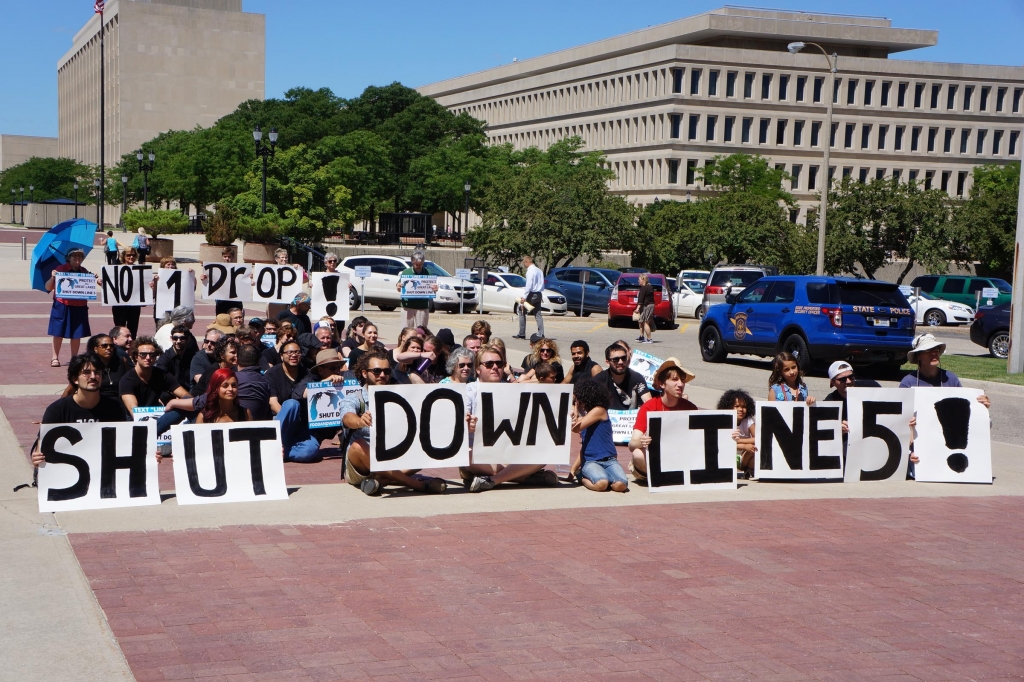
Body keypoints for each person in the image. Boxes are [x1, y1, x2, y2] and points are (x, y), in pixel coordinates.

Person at [341, 349, 448, 496]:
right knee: (358, 445)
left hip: (391, 457)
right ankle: (417, 485)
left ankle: (382, 481)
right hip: (362, 465)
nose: (383, 375)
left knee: (426, 451)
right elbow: (347, 417)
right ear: (365, 373)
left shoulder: (399, 396)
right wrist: (360, 421)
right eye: (377, 371)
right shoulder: (355, 397)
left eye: (386, 371)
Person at [461, 345, 560, 492]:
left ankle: (491, 479)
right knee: (463, 454)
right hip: (477, 451)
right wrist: (466, 425)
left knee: (546, 452)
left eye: (499, 364)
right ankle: (523, 476)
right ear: (478, 369)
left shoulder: (513, 390)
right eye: (489, 364)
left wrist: (562, 417)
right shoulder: (469, 391)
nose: (495, 367)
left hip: (509, 451)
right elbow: (458, 422)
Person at [899, 334, 990, 476]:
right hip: (920, 440)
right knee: (918, 473)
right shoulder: (908, 382)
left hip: (948, 436)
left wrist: (981, 408)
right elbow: (900, 420)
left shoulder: (950, 378)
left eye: (936, 350)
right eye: (928, 351)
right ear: (918, 357)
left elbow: (962, 410)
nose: (934, 354)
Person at [32, 354, 129, 467]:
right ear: (75, 379)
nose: (93, 376)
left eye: (97, 372)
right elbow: (42, 447)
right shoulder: (57, 410)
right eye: (86, 372)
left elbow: (124, 443)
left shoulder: (115, 407)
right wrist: (37, 459)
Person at [628, 358, 698, 484]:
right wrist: (642, 442)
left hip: (679, 457)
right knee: (637, 454)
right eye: (675, 380)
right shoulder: (649, 407)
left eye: (682, 380)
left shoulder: (690, 408)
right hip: (656, 458)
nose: (680, 384)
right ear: (662, 384)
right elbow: (632, 444)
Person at [275, 349, 348, 463]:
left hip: (311, 435)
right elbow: (300, 394)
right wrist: (325, 383)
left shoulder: (344, 383)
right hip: (294, 427)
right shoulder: (310, 378)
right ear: (320, 370)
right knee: (291, 404)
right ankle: (273, 443)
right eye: (332, 368)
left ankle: (280, 452)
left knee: (309, 451)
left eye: (338, 367)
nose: (337, 371)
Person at [118, 336, 191, 435]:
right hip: (135, 422)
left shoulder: (162, 375)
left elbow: (186, 395)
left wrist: (180, 403)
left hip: (158, 417)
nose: (148, 358)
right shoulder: (127, 380)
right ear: (135, 356)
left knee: (188, 407)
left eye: (152, 355)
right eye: (143, 354)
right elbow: (134, 410)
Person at [569, 379, 628, 492]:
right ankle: (582, 477)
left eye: (577, 400)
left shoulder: (599, 410)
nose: (578, 403)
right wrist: (573, 470)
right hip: (591, 461)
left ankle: (603, 476)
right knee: (601, 484)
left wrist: (576, 411)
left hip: (610, 460)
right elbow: (584, 448)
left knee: (621, 485)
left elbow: (575, 428)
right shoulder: (585, 419)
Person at [46, 248, 94, 368]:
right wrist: (52, 277)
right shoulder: (60, 270)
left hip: (79, 306)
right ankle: (55, 357)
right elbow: (48, 288)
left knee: (76, 334)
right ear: (69, 258)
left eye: (80, 256)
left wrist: (94, 278)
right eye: (74, 256)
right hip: (62, 305)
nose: (77, 259)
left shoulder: (84, 271)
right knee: (58, 332)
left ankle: (74, 358)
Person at [594, 343, 652, 411]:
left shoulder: (637, 378)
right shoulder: (600, 379)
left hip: (632, 419)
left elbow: (648, 402)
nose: (621, 362)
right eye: (616, 359)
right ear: (607, 362)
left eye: (624, 358)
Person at [104, 247, 144, 339]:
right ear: (124, 256)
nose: (131, 257)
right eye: (128, 255)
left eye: (133, 255)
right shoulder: (116, 269)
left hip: (134, 305)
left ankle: (130, 351)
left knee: (133, 330)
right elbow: (110, 285)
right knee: (119, 329)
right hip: (119, 305)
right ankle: (118, 350)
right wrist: (103, 283)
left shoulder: (140, 270)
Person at [717, 389, 757, 479]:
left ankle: (749, 470)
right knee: (750, 447)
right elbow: (723, 443)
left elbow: (758, 437)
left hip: (745, 455)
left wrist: (739, 440)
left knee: (755, 449)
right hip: (730, 457)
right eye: (737, 406)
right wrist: (744, 446)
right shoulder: (725, 422)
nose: (741, 409)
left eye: (744, 407)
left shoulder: (748, 421)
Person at [397, 251, 438, 329]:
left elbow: (432, 287)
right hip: (408, 306)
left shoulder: (427, 272)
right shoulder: (406, 272)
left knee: (422, 331)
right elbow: (399, 285)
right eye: (416, 264)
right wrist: (398, 286)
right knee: (407, 330)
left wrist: (435, 289)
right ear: (412, 262)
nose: (419, 266)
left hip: (422, 306)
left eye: (421, 264)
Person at [266, 339, 307, 415]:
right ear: (281, 356)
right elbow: (273, 402)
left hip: (303, 418)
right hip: (280, 416)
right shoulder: (272, 374)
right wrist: (287, 417)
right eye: (289, 352)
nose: (294, 355)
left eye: (297, 352)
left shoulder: (307, 373)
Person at [84, 334, 129, 401]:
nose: (108, 348)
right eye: (104, 346)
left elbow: (129, 382)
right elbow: (71, 390)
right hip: (97, 403)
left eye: (111, 346)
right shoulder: (89, 365)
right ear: (95, 349)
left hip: (119, 403)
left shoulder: (122, 361)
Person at [155, 324, 198, 388]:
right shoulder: (164, 358)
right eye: (175, 338)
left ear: (188, 339)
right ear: (171, 338)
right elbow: (160, 380)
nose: (178, 341)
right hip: (170, 393)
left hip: (190, 392)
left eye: (182, 338)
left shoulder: (193, 356)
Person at [514, 255, 545, 339]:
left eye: (524, 263)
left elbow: (529, 285)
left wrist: (524, 297)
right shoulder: (539, 271)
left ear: (527, 262)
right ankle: (541, 333)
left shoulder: (530, 271)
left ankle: (522, 333)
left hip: (532, 294)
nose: (524, 265)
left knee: (521, 311)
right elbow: (542, 283)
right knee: (538, 314)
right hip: (539, 294)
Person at [189, 328, 224, 393]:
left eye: (213, 343)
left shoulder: (223, 358)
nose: (208, 345)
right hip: (201, 395)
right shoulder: (198, 358)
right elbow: (201, 381)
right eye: (206, 341)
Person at [635, 273, 656, 344]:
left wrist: (637, 308)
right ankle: (641, 337)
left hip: (647, 306)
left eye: (639, 279)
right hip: (650, 305)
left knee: (646, 322)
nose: (638, 281)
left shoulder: (644, 288)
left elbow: (641, 299)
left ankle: (649, 339)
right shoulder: (650, 287)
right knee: (641, 321)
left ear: (643, 280)